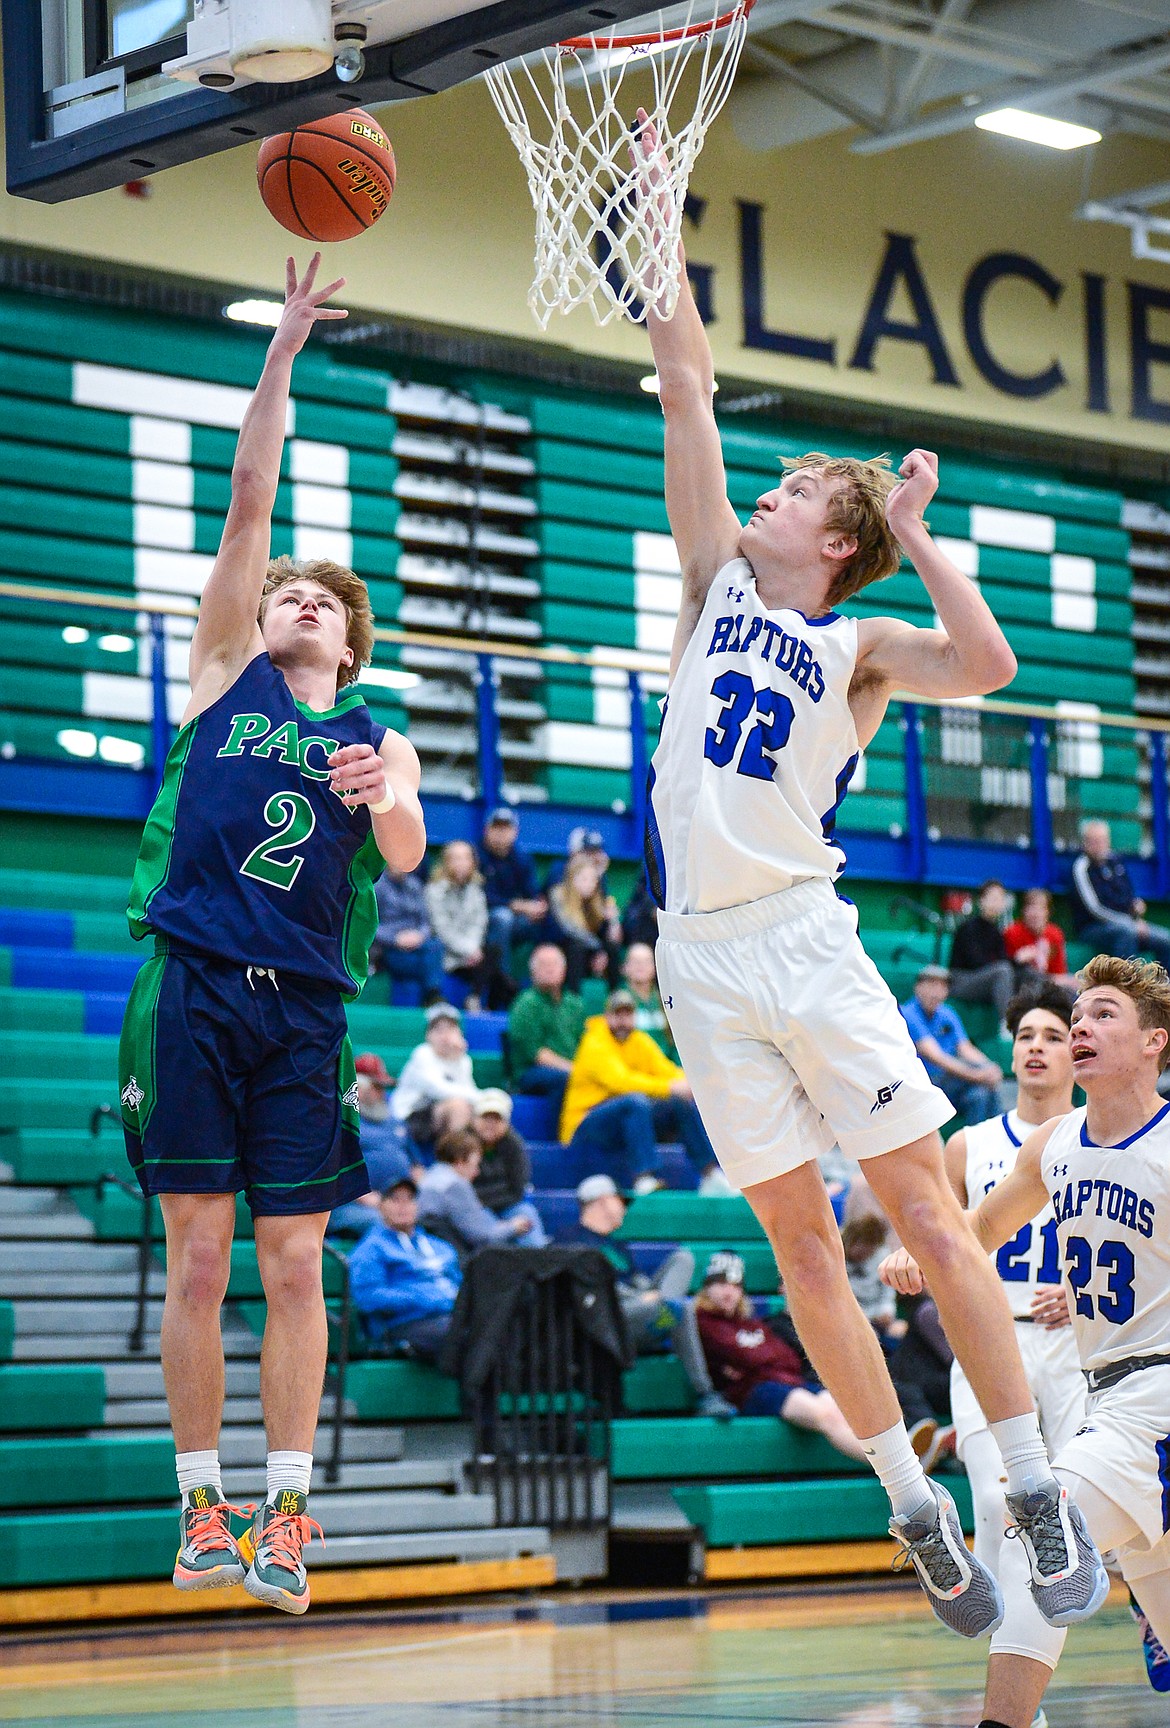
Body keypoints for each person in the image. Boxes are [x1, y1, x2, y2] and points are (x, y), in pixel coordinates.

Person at [634, 112, 1103, 1639]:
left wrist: (919, 531)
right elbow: (688, 384)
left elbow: (990, 658)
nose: (760, 496)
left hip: (801, 941)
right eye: (761, 490)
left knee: (924, 1219)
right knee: (792, 1248)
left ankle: (1022, 1476)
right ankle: (911, 1505)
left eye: (790, 497)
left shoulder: (858, 646)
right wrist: (655, 217)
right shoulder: (714, 584)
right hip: (695, 957)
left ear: (834, 542)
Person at [116, 257, 426, 1615]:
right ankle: (202, 1508)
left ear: (350, 642)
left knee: (294, 1258)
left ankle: (288, 1517)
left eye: (321, 599)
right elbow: (250, 497)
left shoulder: (377, 731)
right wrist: (281, 353)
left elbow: (409, 848)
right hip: (187, 990)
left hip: (301, 1009)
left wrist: (390, 797)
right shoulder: (219, 675)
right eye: (286, 590)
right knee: (199, 1255)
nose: (297, 596)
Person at [884, 954, 1170, 1708]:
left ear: (1155, 1043)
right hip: (1103, 1390)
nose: (1081, 1025)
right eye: (1078, 1015)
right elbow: (976, 1230)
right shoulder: (1052, 1146)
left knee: (1039, 1534)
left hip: (1159, 1395)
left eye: (1103, 1013)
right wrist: (925, 1258)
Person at [937, 980, 1087, 1728]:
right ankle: (1019, 1710)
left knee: (1080, 1516)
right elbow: (937, 1239)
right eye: (1025, 1033)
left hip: (1080, 1348)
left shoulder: (1101, 1141)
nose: (1035, 1045)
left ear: (1078, 1050)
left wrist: (1084, 1294)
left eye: (1053, 1034)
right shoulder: (970, 1144)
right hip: (991, 1341)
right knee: (999, 1507)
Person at [563, 1174, 735, 1419]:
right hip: (605, 1322)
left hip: (638, 1318)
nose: (624, 1208)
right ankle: (703, 1389)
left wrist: (648, 1296)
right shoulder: (569, 1239)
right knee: (681, 1310)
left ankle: (666, 1314)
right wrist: (637, 1298)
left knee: (683, 1261)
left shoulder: (617, 1246)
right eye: (619, 1201)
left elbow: (635, 1280)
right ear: (601, 1201)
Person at [695, 1252, 866, 1459]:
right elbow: (749, 1357)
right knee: (826, 1415)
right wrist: (760, 1357)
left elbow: (790, 1360)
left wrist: (755, 1358)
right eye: (721, 1284)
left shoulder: (750, 1322)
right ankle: (896, 1474)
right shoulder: (705, 1322)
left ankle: (904, 1466)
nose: (729, 1292)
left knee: (844, 1410)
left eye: (735, 1286)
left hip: (788, 1381)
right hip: (755, 1391)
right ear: (707, 1288)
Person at [560, 989, 728, 1195]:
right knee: (636, 1102)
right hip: (586, 1123)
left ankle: (709, 1174)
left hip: (625, 1120)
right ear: (607, 1016)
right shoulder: (595, 1042)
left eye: (628, 1015)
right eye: (617, 1015)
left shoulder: (639, 1040)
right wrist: (669, 1087)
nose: (623, 1021)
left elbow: (666, 1070)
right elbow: (621, 1082)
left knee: (678, 1102)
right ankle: (644, 1178)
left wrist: (696, 1084)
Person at [347, 1176, 461, 1362]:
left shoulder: (441, 1247)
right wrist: (422, 1298)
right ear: (381, 1205)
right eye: (395, 1199)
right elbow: (368, 1298)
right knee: (466, 1334)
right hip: (406, 1324)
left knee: (497, 1328)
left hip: (450, 1317)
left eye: (409, 1199)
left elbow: (461, 1284)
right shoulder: (371, 1249)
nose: (403, 1205)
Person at [901, 965, 1004, 1127]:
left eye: (942, 986)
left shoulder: (947, 1013)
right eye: (931, 985)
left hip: (950, 1082)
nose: (936, 992)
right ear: (918, 987)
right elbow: (937, 1057)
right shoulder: (908, 1014)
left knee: (980, 1095)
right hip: (924, 1083)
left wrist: (988, 1067)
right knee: (982, 1084)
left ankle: (988, 1145)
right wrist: (977, 1075)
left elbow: (965, 1048)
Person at [327, 1053, 416, 1238]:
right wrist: (366, 1197)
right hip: (350, 1203)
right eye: (376, 1087)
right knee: (383, 1222)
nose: (382, 1093)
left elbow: (417, 1165)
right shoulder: (341, 1120)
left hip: (397, 1200)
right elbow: (331, 1170)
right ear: (357, 1086)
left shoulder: (393, 1120)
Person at [425, 839, 517, 1011]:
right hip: (448, 954)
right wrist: (469, 950)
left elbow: (479, 924)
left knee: (494, 952)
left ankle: (475, 996)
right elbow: (442, 930)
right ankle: (481, 1000)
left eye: (465, 858)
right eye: (456, 858)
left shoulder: (477, 890)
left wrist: (474, 949)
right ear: (446, 861)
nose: (461, 863)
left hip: (474, 955)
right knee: (504, 982)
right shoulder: (434, 891)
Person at [416, 1127, 534, 1256]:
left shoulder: (432, 1174)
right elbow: (481, 1236)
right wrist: (514, 1227)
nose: (477, 1172)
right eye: (475, 1164)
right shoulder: (455, 1185)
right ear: (460, 1161)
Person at [1071, 819, 1170, 971]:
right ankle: (1129, 988)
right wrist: (1130, 923)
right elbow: (1095, 909)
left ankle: (1162, 991)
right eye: (1094, 841)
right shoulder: (1081, 867)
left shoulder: (1116, 861)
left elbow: (1128, 895)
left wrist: (1136, 911)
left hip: (1129, 923)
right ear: (1085, 843)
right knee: (1127, 934)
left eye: (1103, 840)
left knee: (1166, 939)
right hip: (1093, 928)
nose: (1099, 845)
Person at [506, 943, 587, 1108]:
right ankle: (561, 1133)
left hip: (574, 1067)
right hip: (531, 1072)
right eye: (544, 965)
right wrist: (574, 1070)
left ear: (564, 970)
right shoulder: (526, 1004)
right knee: (562, 1079)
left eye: (555, 964)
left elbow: (586, 1042)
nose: (550, 969)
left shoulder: (575, 1004)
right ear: (532, 972)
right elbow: (536, 1054)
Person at [390, 1002, 479, 1150]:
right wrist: (481, 1097)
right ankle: (453, 1161)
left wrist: (456, 1060)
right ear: (428, 1035)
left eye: (450, 1029)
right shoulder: (423, 1054)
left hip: (436, 1116)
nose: (445, 1036)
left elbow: (467, 1090)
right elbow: (439, 1090)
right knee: (459, 1107)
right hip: (410, 1116)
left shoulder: (463, 1060)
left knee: (481, 1114)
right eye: (438, 1030)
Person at [471, 1087, 548, 1246]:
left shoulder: (514, 1145)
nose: (490, 1124)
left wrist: (485, 1199)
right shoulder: (461, 1144)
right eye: (486, 1118)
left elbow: (518, 1188)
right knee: (489, 1230)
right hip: (474, 1208)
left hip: (508, 1205)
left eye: (497, 1119)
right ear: (474, 1119)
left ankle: (539, 1263)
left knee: (527, 1215)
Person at [478, 806, 547, 962]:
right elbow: (482, 897)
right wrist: (515, 905)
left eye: (506, 828)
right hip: (482, 918)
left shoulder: (522, 858)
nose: (501, 833)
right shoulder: (477, 855)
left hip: (517, 918)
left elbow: (532, 892)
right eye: (497, 828)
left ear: (515, 832)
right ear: (486, 830)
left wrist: (537, 906)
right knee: (503, 918)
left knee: (546, 918)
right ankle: (501, 978)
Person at [948, 880, 1017, 1037]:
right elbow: (976, 962)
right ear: (981, 901)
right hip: (961, 981)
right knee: (1003, 971)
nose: (996, 903)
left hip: (983, 979)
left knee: (1021, 974)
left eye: (1000, 898)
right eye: (992, 898)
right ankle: (1007, 1024)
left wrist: (1019, 961)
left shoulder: (996, 931)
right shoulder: (969, 928)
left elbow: (1003, 959)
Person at [547, 850, 622, 991]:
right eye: (584, 879)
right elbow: (570, 931)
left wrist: (613, 920)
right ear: (572, 878)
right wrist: (598, 950)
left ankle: (615, 996)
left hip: (590, 954)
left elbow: (613, 938)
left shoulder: (597, 901)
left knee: (611, 948)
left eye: (593, 879)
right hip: (562, 950)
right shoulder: (558, 895)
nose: (589, 884)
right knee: (576, 947)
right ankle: (573, 997)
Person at [372, 867, 447, 1005]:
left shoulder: (415, 886)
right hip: (389, 948)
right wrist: (395, 939)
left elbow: (425, 922)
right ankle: (432, 994)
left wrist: (420, 935)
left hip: (417, 944)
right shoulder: (376, 887)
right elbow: (369, 926)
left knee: (436, 945)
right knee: (427, 963)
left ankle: (432, 992)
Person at [1003, 888, 1074, 988]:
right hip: (1023, 985)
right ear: (1023, 911)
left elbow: (1059, 973)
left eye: (1041, 909)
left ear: (1048, 912)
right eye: (1031, 908)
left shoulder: (1055, 934)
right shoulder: (1013, 932)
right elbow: (1009, 972)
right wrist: (1018, 959)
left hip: (1050, 985)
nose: (1035, 914)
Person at [622, 941, 677, 1059]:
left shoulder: (665, 1000)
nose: (641, 966)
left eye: (646, 962)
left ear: (655, 967)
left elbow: (673, 1040)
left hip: (666, 1067)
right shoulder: (619, 1001)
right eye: (636, 962)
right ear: (625, 967)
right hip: (633, 1068)